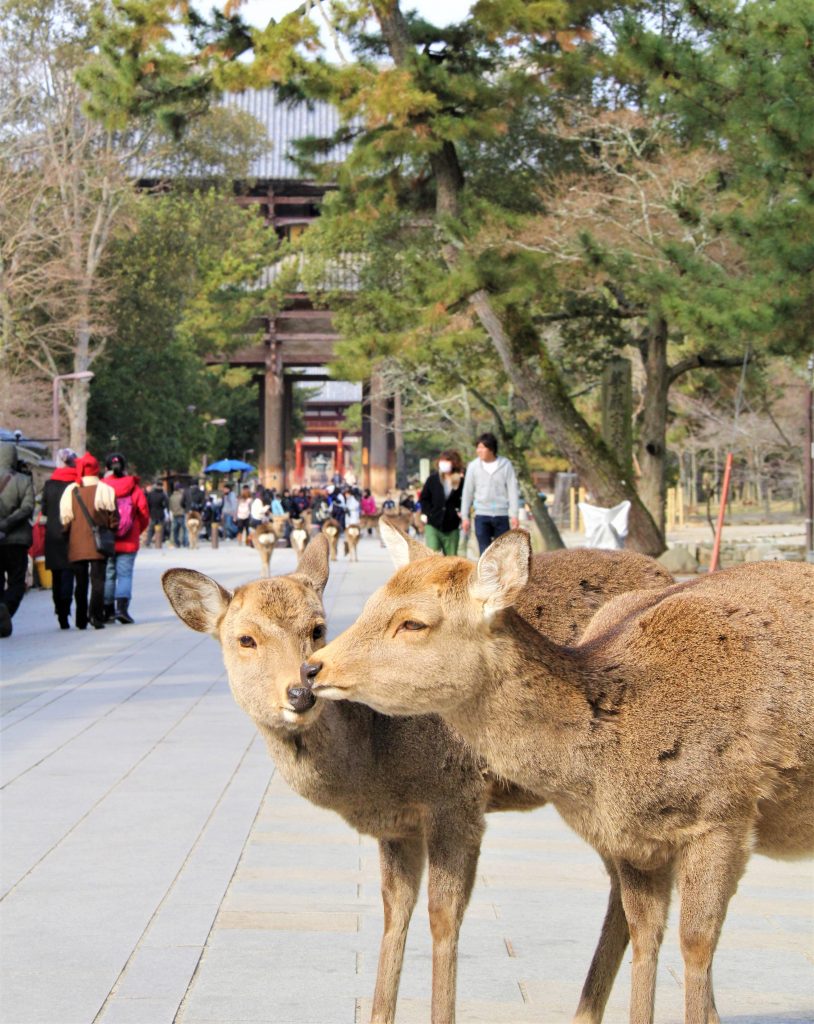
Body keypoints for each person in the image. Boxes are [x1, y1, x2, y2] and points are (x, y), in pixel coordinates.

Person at [60, 453, 118, 630]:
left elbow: (65, 520)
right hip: (99, 544)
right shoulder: (105, 490)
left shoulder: (71, 490)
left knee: (81, 582)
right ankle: (96, 616)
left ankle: (80, 619)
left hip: (76, 545)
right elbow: (114, 519)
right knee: (98, 581)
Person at [103, 453, 149, 624]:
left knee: (108, 574)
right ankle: (122, 609)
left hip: (107, 539)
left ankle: (107, 610)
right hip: (129, 540)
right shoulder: (133, 488)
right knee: (125, 575)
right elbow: (144, 512)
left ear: (107, 468)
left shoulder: (102, 487)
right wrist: (137, 530)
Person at [460, 431, 520, 555]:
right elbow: (467, 492)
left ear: (491, 448)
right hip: (481, 514)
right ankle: (485, 575)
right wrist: (465, 517)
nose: (479, 450)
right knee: (484, 552)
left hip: (501, 514)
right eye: (478, 447)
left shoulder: (506, 465)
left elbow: (512, 490)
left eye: (482, 447)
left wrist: (514, 514)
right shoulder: (473, 466)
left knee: (502, 552)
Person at [40, 448, 79, 630]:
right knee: (68, 574)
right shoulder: (77, 484)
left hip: (53, 533)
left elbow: (45, 510)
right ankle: (66, 607)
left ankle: (59, 610)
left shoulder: (49, 485)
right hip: (72, 532)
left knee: (56, 574)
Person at [0, 441, 35, 638]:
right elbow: (28, 507)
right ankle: (6, 608)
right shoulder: (23, 480)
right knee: (16, 581)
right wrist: (8, 523)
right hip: (17, 540)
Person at [419, 449, 465, 556]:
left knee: (451, 559)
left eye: (447, 461)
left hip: (452, 526)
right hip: (433, 523)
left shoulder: (461, 481)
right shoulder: (433, 479)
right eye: (442, 460)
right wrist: (426, 513)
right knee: (432, 556)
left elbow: (466, 499)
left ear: (454, 463)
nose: (443, 463)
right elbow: (424, 498)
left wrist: (461, 513)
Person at [146, 481, 169, 547]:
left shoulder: (151, 494)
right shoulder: (163, 494)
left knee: (151, 529)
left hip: (152, 513)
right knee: (160, 529)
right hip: (161, 514)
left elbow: (148, 503)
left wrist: (149, 512)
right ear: (162, 486)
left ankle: (148, 542)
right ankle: (159, 542)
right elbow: (166, 504)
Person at [169, 482, 188, 548]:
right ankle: (185, 543)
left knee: (175, 530)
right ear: (179, 489)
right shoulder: (182, 496)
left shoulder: (171, 496)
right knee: (184, 529)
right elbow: (185, 504)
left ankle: (176, 543)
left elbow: (170, 506)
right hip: (182, 514)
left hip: (175, 515)